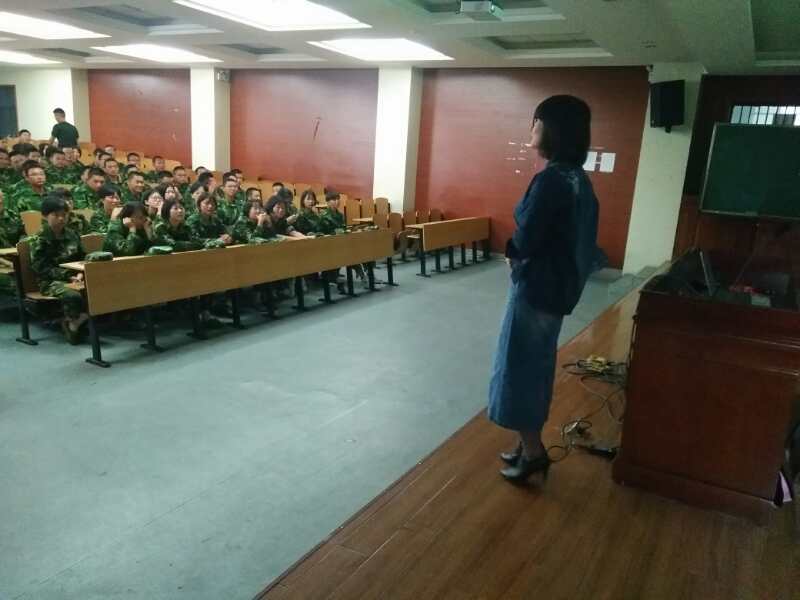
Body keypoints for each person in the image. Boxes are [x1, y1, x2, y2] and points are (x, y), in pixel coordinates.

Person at [489, 95, 599, 483]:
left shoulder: (552, 180)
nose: (532, 128)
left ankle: (534, 453)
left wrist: (513, 255)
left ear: (553, 129)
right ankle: (525, 444)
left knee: (521, 367)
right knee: (533, 363)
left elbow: (529, 234)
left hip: (536, 289)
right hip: (557, 290)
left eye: (537, 121)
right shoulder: (578, 179)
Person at [29, 193, 87, 344]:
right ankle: (72, 324)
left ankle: (80, 320)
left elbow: (82, 258)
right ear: (45, 216)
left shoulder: (72, 234)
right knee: (73, 295)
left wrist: (80, 273)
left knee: (102, 287)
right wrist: (68, 276)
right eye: (56, 215)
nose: (61, 219)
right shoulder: (39, 239)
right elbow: (41, 268)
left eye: (64, 215)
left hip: (76, 277)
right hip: (49, 282)